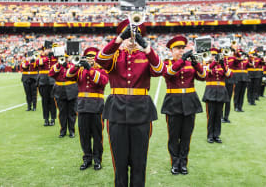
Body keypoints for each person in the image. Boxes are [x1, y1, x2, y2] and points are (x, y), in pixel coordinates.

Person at [95, 19, 163, 187]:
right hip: (117, 111)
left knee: (139, 162)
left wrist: (145, 46)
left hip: (141, 112)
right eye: (128, 35)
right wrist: (118, 40)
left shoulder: (146, 55)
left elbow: (159, 69)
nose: (131, 38)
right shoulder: (115, 55)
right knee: (120, 162)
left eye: (135, 35)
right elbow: (100, 58)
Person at [161, 35, 205, 175]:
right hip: (173, 103)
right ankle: (175, 162)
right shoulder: (167, 63)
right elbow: (169, 74)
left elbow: (203, 77)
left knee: (186, 135)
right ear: (171, 50)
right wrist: (182, 60)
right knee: (174, 136)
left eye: (182, 48)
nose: (180, 51)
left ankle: (183, 163)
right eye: (177, 49)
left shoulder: (190, 63)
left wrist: (196, 63)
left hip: (190, 102)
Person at [66, 47, 108, 171]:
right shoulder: (80, 71)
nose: (90, 59)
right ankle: (87, 159)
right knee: (84, 136)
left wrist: (89, 69)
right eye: (88, 57)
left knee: (97, 135)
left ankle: (97, 159)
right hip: (83, 106)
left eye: (92, 57)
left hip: (96, 106)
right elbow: (68, 76)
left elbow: (102, 81)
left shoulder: (101, 70)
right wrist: (76, 66)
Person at [202, 48, 232, 144]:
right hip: (210, 92)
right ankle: (210, 135)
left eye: (216, 55)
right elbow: (206, 73)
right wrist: (214, 62)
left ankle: (216, 135)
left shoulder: (223, 66)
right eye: (213, 55)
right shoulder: (207, 65)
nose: (214, 57)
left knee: (218, 115)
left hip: (221, 92)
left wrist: (223, 64)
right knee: (211, 115)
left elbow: (229, 75)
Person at [49, 52, 78, 138]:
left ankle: (72, 130)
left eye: (65, 58)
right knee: (62, 112)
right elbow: (51, 74)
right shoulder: (57, 66)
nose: (64, 59)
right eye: (62, 58)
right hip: (60, 90)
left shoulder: (73, 65)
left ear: (68, 58)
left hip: (72, 89)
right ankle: (63, 130)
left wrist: (67, 66)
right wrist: (58, 65)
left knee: (72, 112)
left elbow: (76, 73)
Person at [36, 41, 57, 126]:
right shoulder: (41, 56)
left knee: (52, 100)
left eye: (50, 48)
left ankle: (52, 118)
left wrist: (52, 55)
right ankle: (46, 119)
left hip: (53, 81)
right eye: (47, 49)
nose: (49, 50)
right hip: (43, 81)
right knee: (44, 101)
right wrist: (46, 56)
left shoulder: (55, 56)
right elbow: (38, 63)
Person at [222, 48, 236, 123]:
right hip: (223, 81)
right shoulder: (221, 59)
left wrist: (235, 50)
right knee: (221, 99)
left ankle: (226, 117)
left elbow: (238, 60)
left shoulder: (232, 58)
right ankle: (220, 117)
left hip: (230, 80)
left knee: (228, 100)